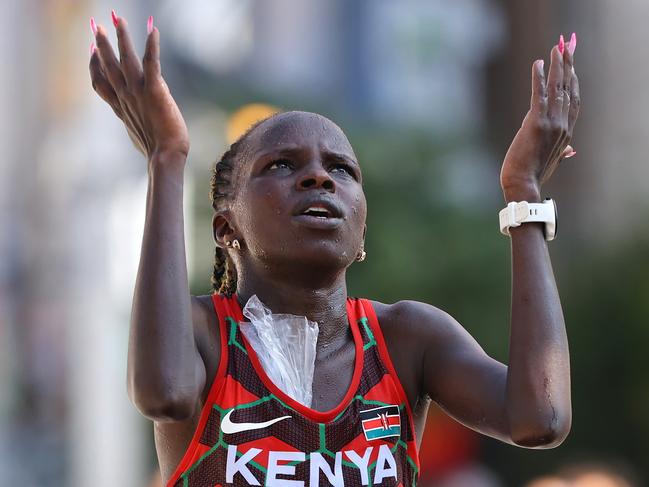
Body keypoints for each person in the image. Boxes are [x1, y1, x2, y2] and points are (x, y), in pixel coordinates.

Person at [88, 10, 579, 487]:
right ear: (226, 227)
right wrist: (166, 158)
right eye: (281, 165)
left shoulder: (408, 338)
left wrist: (524, 194)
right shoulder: (203, 336)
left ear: (361, 231)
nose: (319, 176)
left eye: (342, 169)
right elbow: (162, 395)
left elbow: (540, 417)